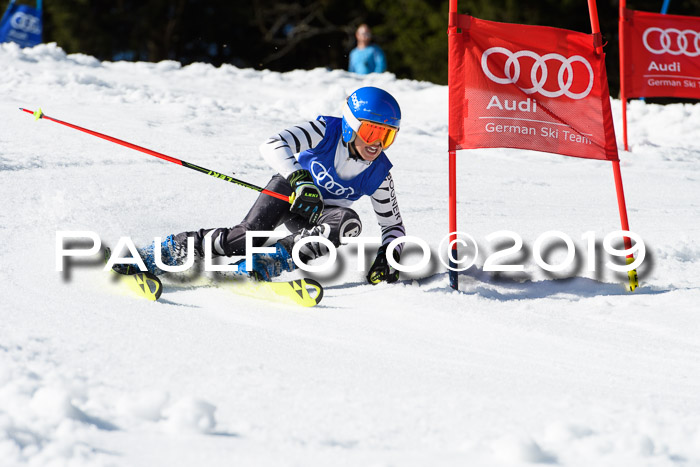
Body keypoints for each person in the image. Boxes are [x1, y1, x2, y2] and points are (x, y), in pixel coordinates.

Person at [115, 86, 406, 285]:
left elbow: (392, 225)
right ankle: (168, 250)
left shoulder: (380, 173)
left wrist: (389, 255)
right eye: (371, 131)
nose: (377, 144)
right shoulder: (325, 131)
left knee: (348, 223)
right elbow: (273, 144)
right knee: (247, 236)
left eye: (388, 136)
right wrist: (300, 179)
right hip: (290, 190)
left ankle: (269, 262)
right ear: (350, 125)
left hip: (319, 216)